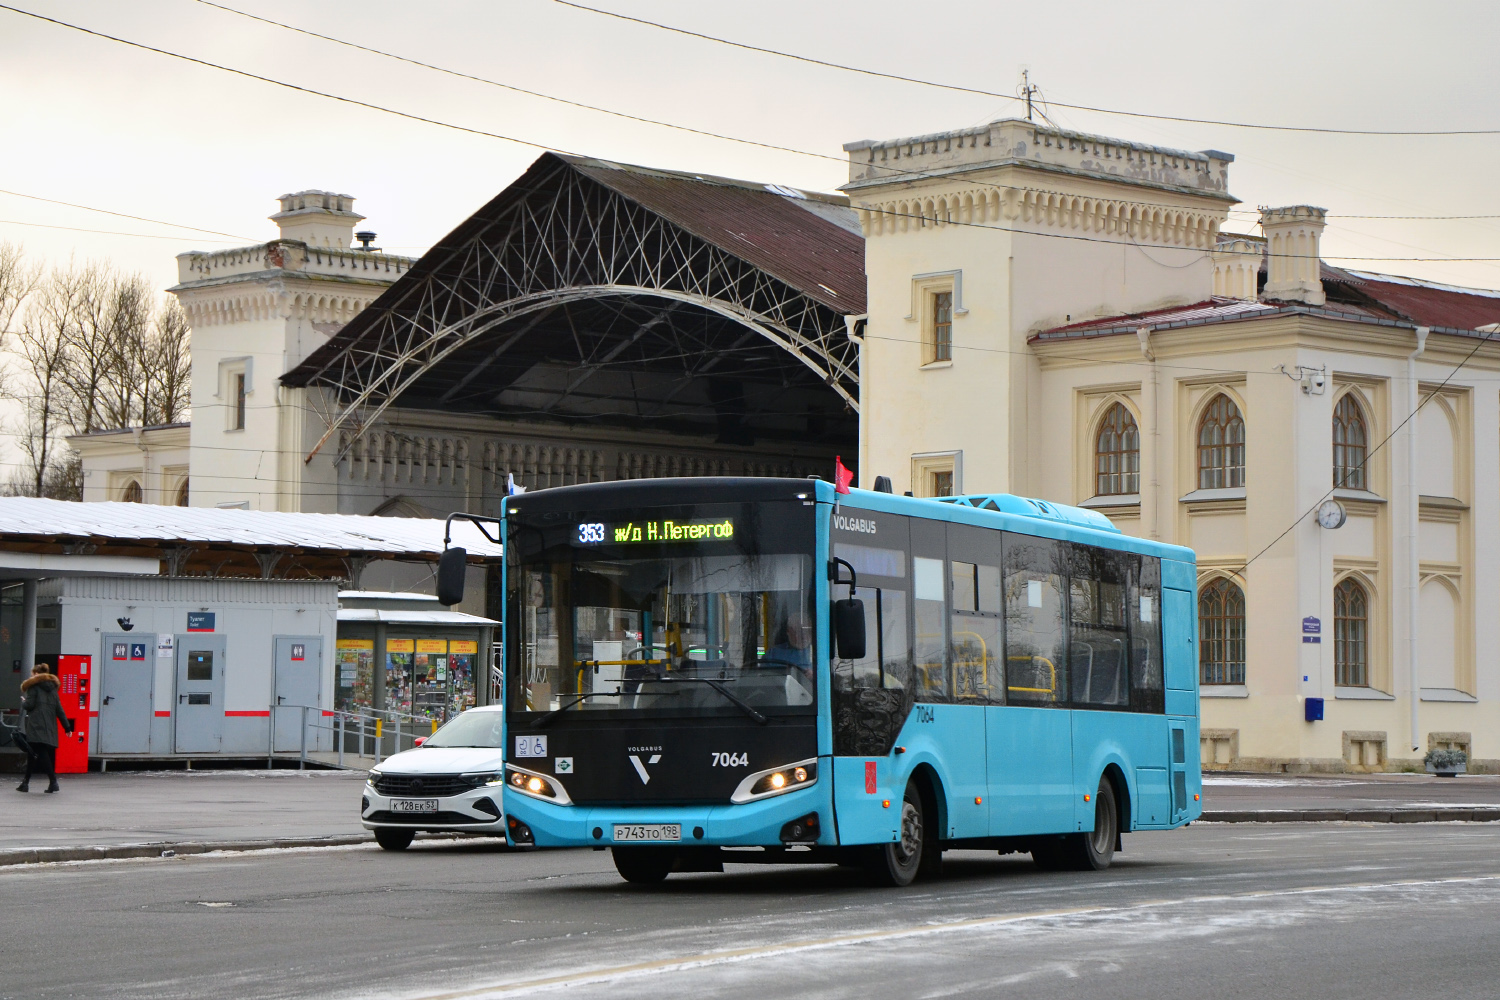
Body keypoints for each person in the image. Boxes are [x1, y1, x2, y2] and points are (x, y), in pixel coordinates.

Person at [18, 664, 71, 793]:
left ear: (36, 674)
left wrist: (24, 702)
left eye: (32, 674)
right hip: (49, 727)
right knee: (33, 753)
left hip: (36, 725)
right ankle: (25, 783)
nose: (31, 676)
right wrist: (67, 727)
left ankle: (53, 782)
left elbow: (29, 705)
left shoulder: (33, 688)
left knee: (40, 752)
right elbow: (59, 709)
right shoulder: (53, 690)